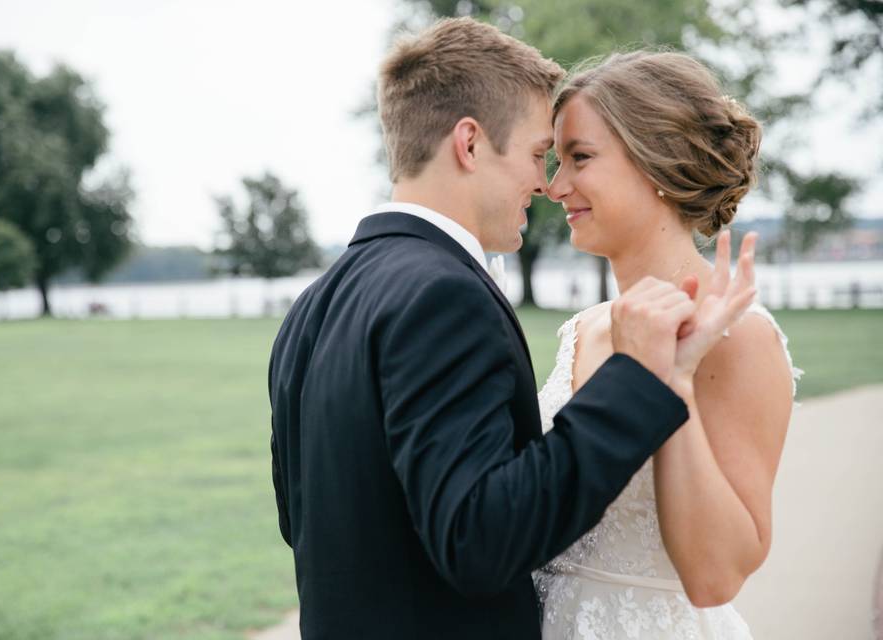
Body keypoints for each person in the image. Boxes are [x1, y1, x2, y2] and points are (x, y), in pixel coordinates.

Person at [268, 20, 757, 639]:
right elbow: (481, 539)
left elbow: (301, 520)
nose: (545, 183)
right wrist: (636, 379)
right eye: (536, 154)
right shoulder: (442, 295)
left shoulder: (315, 303)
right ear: (470, 144)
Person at [534, 50, 801, 638]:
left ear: (656, 163)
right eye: (556, 161)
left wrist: (671, 377)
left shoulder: (740, 339)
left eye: (579, 158)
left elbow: (714, 577)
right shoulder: (583, 330)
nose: (554, 187)